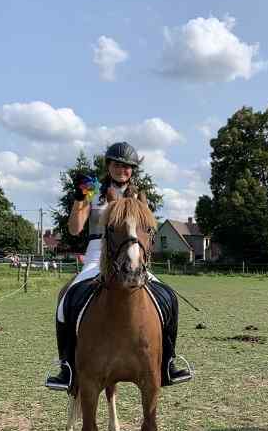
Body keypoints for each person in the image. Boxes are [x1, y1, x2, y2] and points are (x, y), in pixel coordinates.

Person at [45, 141, 192, 390]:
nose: (122, 170)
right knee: (67, 298)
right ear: (109, 166)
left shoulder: (139, 197)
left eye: (128, 167)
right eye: (117, 164)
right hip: (97, 253)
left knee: (168, 297)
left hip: (132, 254)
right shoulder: (92, 193)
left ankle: (168, 362)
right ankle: (67, 367)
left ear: (133, 170)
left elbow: (149, 232)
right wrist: (80, 198)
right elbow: (74, 229)